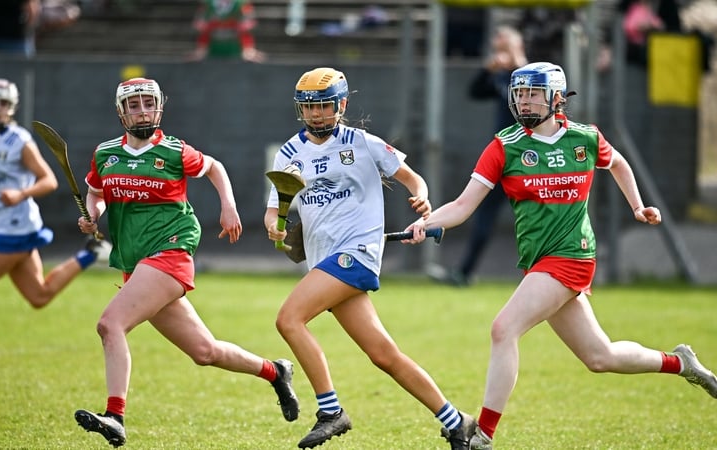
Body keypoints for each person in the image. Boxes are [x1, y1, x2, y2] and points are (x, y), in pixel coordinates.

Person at [404, 62, 717, 449]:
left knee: (503, 330)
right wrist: (430, 222)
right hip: (538, 261)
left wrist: (638, 206)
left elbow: (617, 163)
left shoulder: (585, 138)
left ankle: (483, 436)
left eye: (532, 94)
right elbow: (464, 204)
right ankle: (681, 363)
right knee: (600, 356)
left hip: (573, 254)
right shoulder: (504, 145)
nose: (524, 102)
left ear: (556, 98)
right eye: (519, 94)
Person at [73, 77, 298, 448]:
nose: (142, 110)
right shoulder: (105, 154)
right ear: (121, 112)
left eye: (148, 103)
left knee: (109, 324)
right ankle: (276, 372)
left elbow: (214, 167)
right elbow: (96, 193)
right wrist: (92, 215)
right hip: (136, 260)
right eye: (134, 105)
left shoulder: (175, 151)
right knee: (204, 352)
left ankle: (114, 416)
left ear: (159, 106)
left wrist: (229, 206)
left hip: (170, 250)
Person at [264, 67, 476, 450]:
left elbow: (413, 178)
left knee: (289, 319)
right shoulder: (289, 153)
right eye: (309, 108)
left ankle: (331, 412)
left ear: (341, 105)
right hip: (324, 262)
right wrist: (275, 225)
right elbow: (275, 207)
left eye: (324, 107)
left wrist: (422, 198)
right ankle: (456, 421)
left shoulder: (362, 143)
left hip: (356, 254)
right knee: (384, 354)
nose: (316, 115)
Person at [0, 78, 103, 369]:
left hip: (16, 226)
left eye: (3, 103)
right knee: (39, 295)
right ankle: (92, 254)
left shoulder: (19, 140)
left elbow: (48, 180)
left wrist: (20, 194)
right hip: (1, 226)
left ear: (11, 108)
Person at [433, 25, 526, 287]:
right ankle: (464, 272)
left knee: (535, 214)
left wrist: (513, 67)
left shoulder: (528, 76)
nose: (500, 53)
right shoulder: (501, 76)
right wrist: (489, 70)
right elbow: (474, 92)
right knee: (483, 213)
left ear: (516, 45)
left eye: (504, 47)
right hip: (503, 156)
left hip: (528, 157)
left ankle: (548, 269)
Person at [185, 0, 266, 63]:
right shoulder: (207, 3)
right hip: (212, 46)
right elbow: (198, 23)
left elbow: (250, 22)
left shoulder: (241, 3)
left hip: (236, 46)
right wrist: (207, 25)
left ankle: (248, 51)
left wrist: (239, 25)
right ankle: (201, 50)